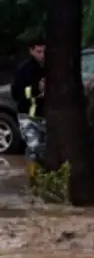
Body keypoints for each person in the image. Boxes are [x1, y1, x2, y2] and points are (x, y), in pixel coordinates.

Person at [11, 40, 46, 179]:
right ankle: (34, 180)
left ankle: (45, 179)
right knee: (33, 147)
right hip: (28, 116)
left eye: (44, 51)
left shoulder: (50, 67)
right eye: (39, 51)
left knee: (46, 149)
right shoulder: (24, 70)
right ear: (31, 51)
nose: (42, 55)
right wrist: (36, 89)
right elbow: (16, 94)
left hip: (46, 116)